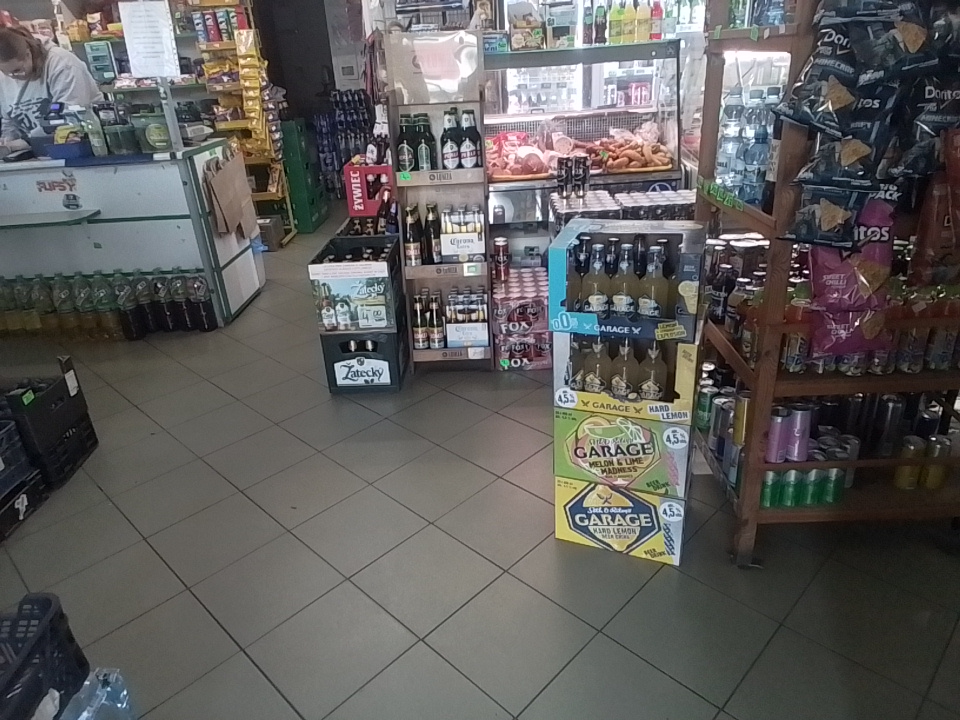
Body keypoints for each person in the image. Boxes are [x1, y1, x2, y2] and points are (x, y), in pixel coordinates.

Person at [0, 26, 101, 151]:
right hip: (34, 152)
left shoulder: (63, 63)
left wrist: (27, 141)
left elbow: (71, 116)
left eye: (17, 70)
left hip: (80, 147)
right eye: (5, 72)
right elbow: (9, 119)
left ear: (27, 54)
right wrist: (7, 140)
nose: (13, 76)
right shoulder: (4, 75)